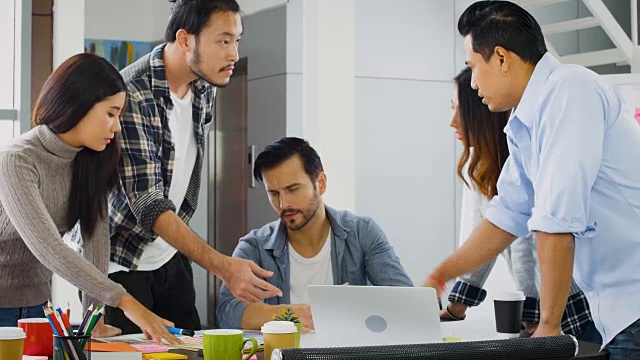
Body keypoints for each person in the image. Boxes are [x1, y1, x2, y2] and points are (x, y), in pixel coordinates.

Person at [424, 1, 640, 357]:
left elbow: (558, 217)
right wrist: (439, 275)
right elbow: (505, 217)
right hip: (617, 313)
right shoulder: (526, 122)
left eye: (473, 67)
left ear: (502, 58)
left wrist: (549, 325)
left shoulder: (569, 89)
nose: (473, 83)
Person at [107, 0, 282, 334]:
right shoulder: (131, 93)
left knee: (192, 349)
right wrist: (224, 267)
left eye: (237, 41)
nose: (233, 54)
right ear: (186, 39)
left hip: (170, 255)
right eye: (223, 41)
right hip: (121, 260)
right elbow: (149, 205)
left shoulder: (204, 88)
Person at [0, 53, 178, 344]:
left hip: (37, 307)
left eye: (119, 115)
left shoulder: (91, 161)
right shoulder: (16, 160)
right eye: (110, 113)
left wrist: (93, 318)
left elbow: (95, 241)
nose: (117, 126)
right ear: (76, 103)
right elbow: (48, 247)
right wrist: (126, 302)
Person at [441, 67, 595, 341]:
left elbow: (535, 243)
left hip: (575, 307)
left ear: (482, 113)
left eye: (459, 110)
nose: (452, 121)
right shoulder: (482, 167)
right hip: (542, 315)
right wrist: (455, 306)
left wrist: (540, 317)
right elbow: (484, 239)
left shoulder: (532, 153)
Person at [217, 137, 413, 330]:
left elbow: (406, 301)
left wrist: (355, 305)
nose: (284, 204)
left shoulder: (362, 232)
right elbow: (228, 311)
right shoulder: (255, 246)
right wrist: (295, 315)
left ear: (320, 183)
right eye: (274, 193)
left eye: (292, 189)